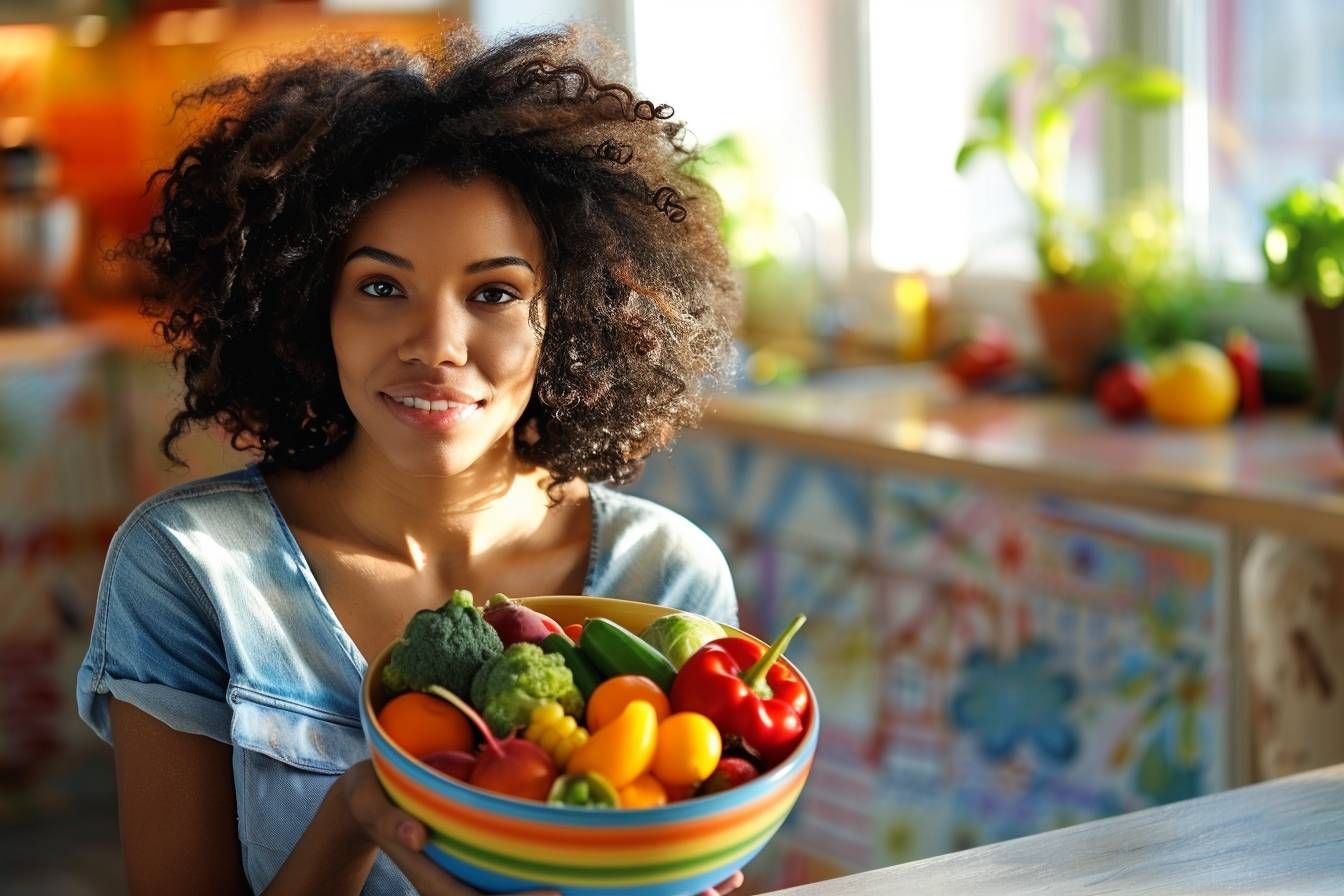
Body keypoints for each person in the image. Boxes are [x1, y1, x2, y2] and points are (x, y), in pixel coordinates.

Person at [76, 24, 744, 896]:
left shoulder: (665, 579)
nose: (436, 345)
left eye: (495, 293)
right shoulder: (189, 570)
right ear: (311, 305)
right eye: (382, 287)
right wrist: (360, 817)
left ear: (575, 320)